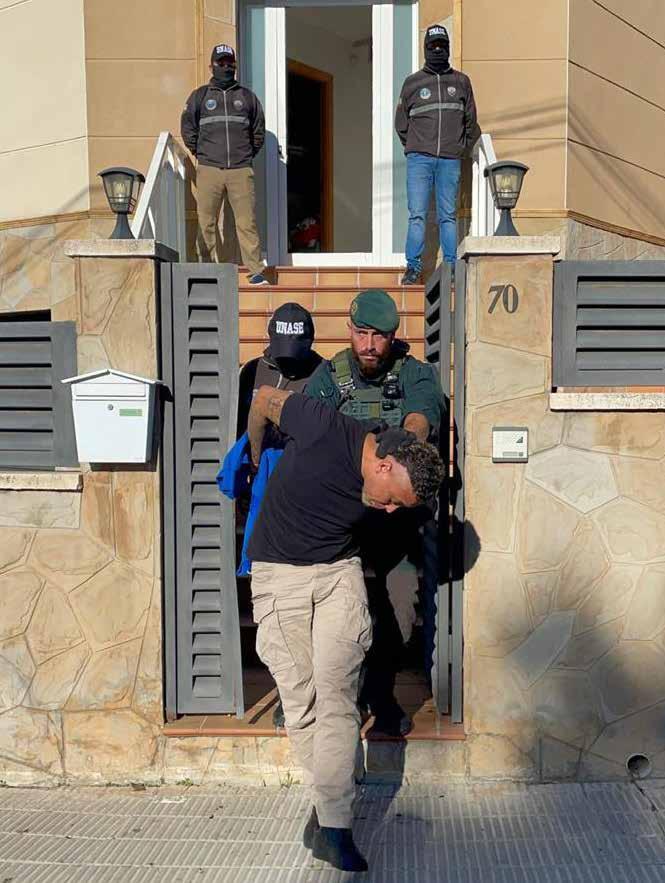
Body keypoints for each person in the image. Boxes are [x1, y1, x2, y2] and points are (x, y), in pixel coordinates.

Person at [247, 389, 445, 871]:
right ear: (382, 466)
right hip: (280, 576)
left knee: (337, 694)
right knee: (303, 702)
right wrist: (254, 458)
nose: (390, 511)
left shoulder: (391, 473)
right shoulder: (321, 425)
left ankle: (334, 826)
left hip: (339, 572)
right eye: (393, 500)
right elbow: (262, 398)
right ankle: (326, 806)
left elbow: (415, 431)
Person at [302, 288, 445, 737]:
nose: (368, 345)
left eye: (379, 336)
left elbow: (423, 415)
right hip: (340, 522)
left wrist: (406, 440)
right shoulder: (332, 376)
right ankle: (318, 701)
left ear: (393, 336)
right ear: (349, 330)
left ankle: (380, 695)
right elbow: (306, 428)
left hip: (395, 525)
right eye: (361, 333)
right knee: (327, 613)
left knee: (398, 609)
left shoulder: (414, 373)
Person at [395, 24, 481, 285]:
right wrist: (416, 146)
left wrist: (459, 148)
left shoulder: (461, 82)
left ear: (448, 48)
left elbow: (471, 122)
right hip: (419, 160)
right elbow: (401, 124)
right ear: (425, 49)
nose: (437, 50)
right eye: (433, 46)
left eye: (442, 46)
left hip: (449, 161)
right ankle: (413, 268)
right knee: (417, 215)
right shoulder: (412, 83)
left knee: (447, 216)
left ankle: (451, 268)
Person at [181, 44, 269, 285]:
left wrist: (246, 155)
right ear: (212, 66)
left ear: (235, 65)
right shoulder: (200, 96)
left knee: (247, 223)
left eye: (230, 63)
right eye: (221, 63)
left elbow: (258, 132)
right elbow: (188, 128)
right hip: (209, 169)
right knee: (206, 222)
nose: (226, 67)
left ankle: (256, 270)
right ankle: (205, 270)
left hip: (240, 170)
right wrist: (201, 153)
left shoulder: (247, 97)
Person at [237, 302, 323, 439]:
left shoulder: (323, 374)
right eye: (282, 354)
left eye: (295, 355)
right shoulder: (252, 370)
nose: (288, 361)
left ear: (310, 341)